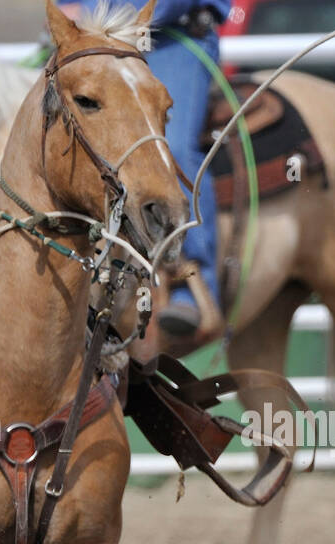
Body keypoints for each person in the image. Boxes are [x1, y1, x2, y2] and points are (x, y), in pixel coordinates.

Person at [64, 0, 231, 338]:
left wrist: (110, 15)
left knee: (174, 148)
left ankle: (192, 281)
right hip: (101, 39)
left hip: (174, 37)